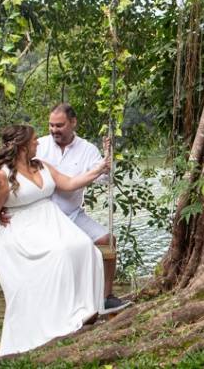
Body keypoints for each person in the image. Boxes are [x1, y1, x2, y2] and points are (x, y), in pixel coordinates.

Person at [0, 124, 108, 356]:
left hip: (52, 222)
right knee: (60, 254)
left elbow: (71, 183)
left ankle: (83, 310)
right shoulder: (1, 177)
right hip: (22, 232)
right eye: (34, 140)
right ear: (23, 145)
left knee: (85, 247)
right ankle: (61, 320)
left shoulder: (42, 165)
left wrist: (101, 167)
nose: (39, 143)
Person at [33, 103, 129, 312]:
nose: (54, 130)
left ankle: (106, 296)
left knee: (108, 241)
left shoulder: (86, 149)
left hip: (73, 214)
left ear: (73, 123)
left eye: (59, 125)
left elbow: (105, 180)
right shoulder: (39, 146)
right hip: (45, 216)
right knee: (60, 252)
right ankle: (51, 302)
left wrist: (107, 159)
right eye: (51, 125)